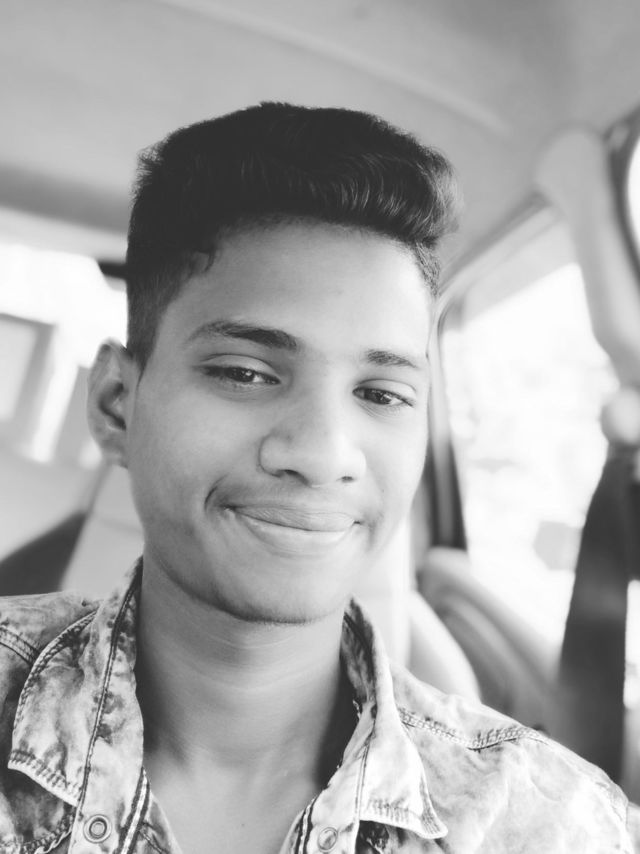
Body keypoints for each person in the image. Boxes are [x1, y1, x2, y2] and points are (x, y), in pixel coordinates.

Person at [0, 102, 637, 854]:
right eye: (244, 373)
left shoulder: (549, 825)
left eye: (381, 394)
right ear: (116, 404)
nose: (323, 451)